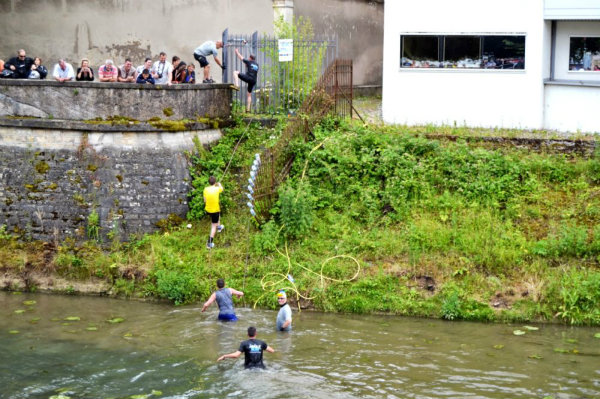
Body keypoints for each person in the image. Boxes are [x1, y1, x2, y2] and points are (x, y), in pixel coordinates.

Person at [234, 48, 259, 112]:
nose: (248, 59)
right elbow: (251, 68)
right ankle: (248, 109)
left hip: (249, 78)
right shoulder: (257, 64)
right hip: (254, 80)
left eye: (248, 58)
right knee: (249, 94)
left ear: (250, 58)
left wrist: (237, 52)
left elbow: (241, 58)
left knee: (235, 72)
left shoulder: (249, 61)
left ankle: (237, 86)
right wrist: (247, 65)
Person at [203, 175, 224, 249]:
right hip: (214, 210)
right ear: (215, 182)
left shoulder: (205, 189)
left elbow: (204, 200)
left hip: (208, 210)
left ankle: (219, 227)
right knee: (213, 226)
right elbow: (222, 189)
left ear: (209, 182)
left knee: (217, 216)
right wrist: (219, 184)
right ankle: (209, 243)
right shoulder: (217, 188)